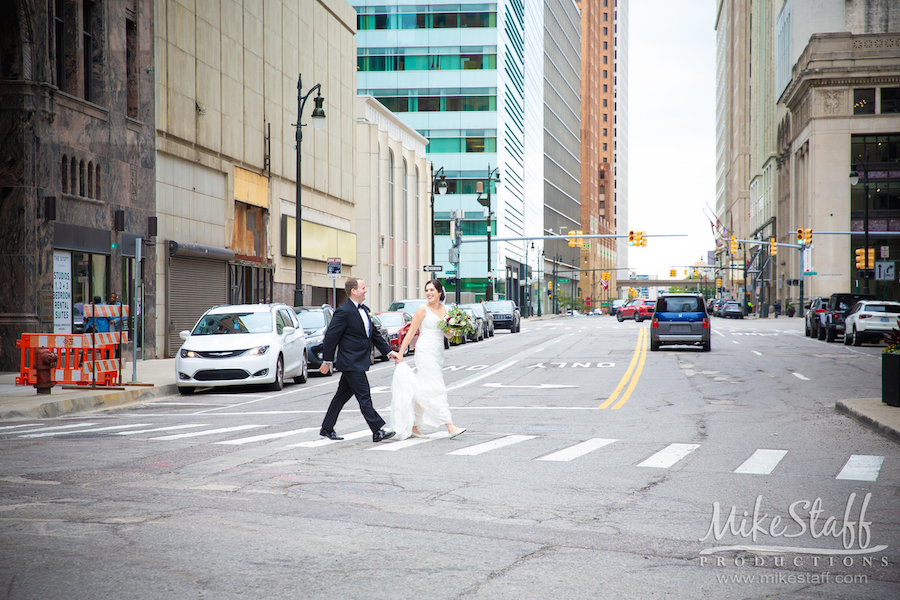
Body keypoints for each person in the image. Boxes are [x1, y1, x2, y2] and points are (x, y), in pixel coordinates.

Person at [319, 278, 400, 442]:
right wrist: (327, 361)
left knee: (341, 397)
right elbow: (331, 337)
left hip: (358, 361)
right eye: (363, 288)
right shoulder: (343, 311)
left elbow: (374, 335)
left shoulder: (365, 310)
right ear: (353, 291)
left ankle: (327, 428)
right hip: (351, 362)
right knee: (364, 396)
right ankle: (377, 430)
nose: (366, 291)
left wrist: (389, 352)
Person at [390, 279, 466, 441]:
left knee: (422, 388)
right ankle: (449, 425)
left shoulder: (445, 310)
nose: (429, 293)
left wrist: (458, 328)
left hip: (438, 353)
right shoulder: (422, 309)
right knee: (437, 387)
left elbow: (448, 334)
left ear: (440, 292)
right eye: (427, 290)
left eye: (432, 290)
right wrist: (401, 352)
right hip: (424, 351)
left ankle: (414, 426)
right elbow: (411, 333)